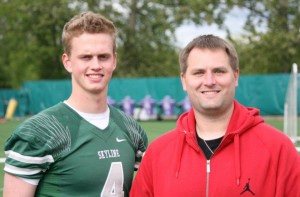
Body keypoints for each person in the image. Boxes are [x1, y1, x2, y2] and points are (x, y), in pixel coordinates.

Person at [130, 34, 300, 197]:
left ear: (235, 76)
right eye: (198, 72)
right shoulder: (158, 153)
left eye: (219, 71)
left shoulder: (278, 148)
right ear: (183, 80)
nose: (209, 81)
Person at [3, 11, 148, 197]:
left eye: (103, 56)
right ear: (68, 62)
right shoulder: (38, 133)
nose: (96, 65)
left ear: (114, 61)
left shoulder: (132, 130)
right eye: (86, 57)